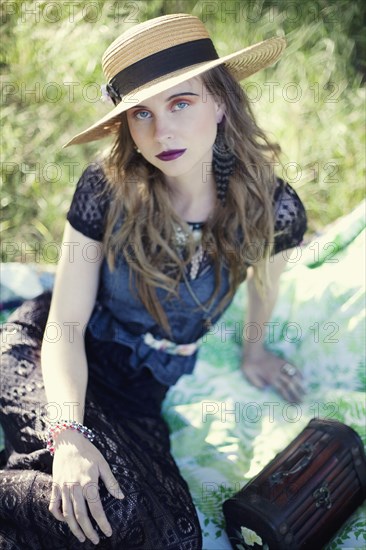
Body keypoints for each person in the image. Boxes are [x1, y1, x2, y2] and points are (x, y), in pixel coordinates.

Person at [0, 13, 307, 549]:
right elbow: (66, 324)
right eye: (141, 113)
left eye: (180, 103)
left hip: (141, 393)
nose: (161, 131)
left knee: (174, 536)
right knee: (96, 508)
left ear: (220, 103)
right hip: (57, 361)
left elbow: (264, 286)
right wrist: (68, 434)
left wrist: (254, 352)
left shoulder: (272, 207)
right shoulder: (105, 187)